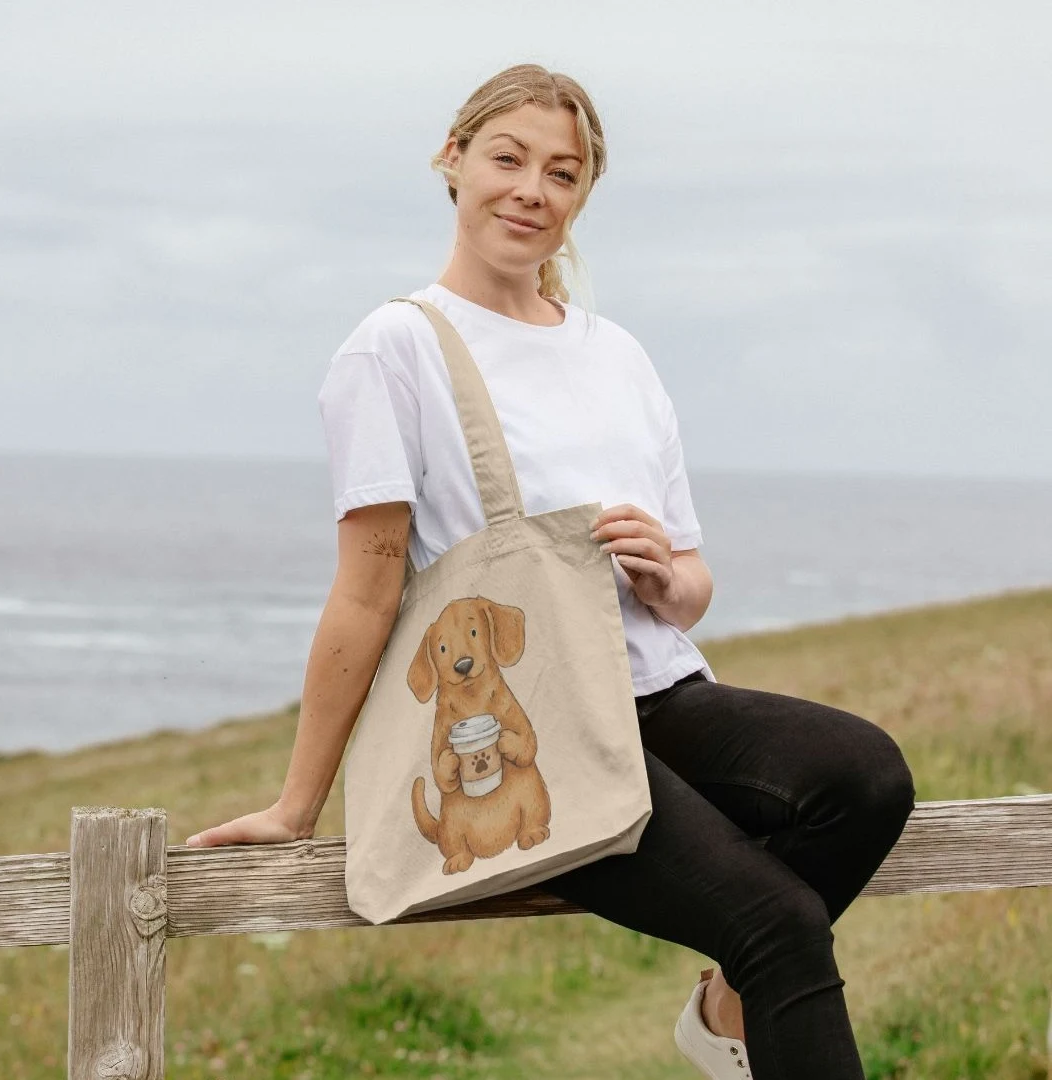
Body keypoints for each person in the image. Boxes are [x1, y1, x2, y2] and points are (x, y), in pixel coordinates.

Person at [185, 63, 916, 1080]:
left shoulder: (618, 356)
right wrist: (298, 804)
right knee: (778, 924)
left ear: (581, 197)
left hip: (659, 693)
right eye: (509, 159)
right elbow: (367, 589)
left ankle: (726, 1008)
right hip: (539, 729)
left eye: (562, 174)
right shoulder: (395, 349)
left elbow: (693, 582)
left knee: (865, 777)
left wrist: (666, 580)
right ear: (453, 160)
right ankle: (739, 1012)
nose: (532, 190)